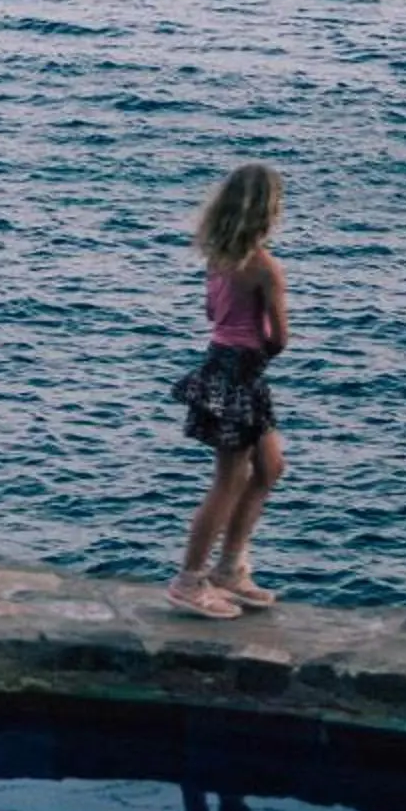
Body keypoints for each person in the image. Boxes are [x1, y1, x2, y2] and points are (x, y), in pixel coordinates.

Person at [167, 164, 288, 618]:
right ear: (267, 210)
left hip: (223, 363)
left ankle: (229, 569)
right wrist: (259, 350)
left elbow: (210, 313)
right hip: (242, 371)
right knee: (229, 478)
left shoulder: (219, 257)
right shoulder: (264, 267)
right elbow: (280, 337)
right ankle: (189, 580)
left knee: (270, 466)